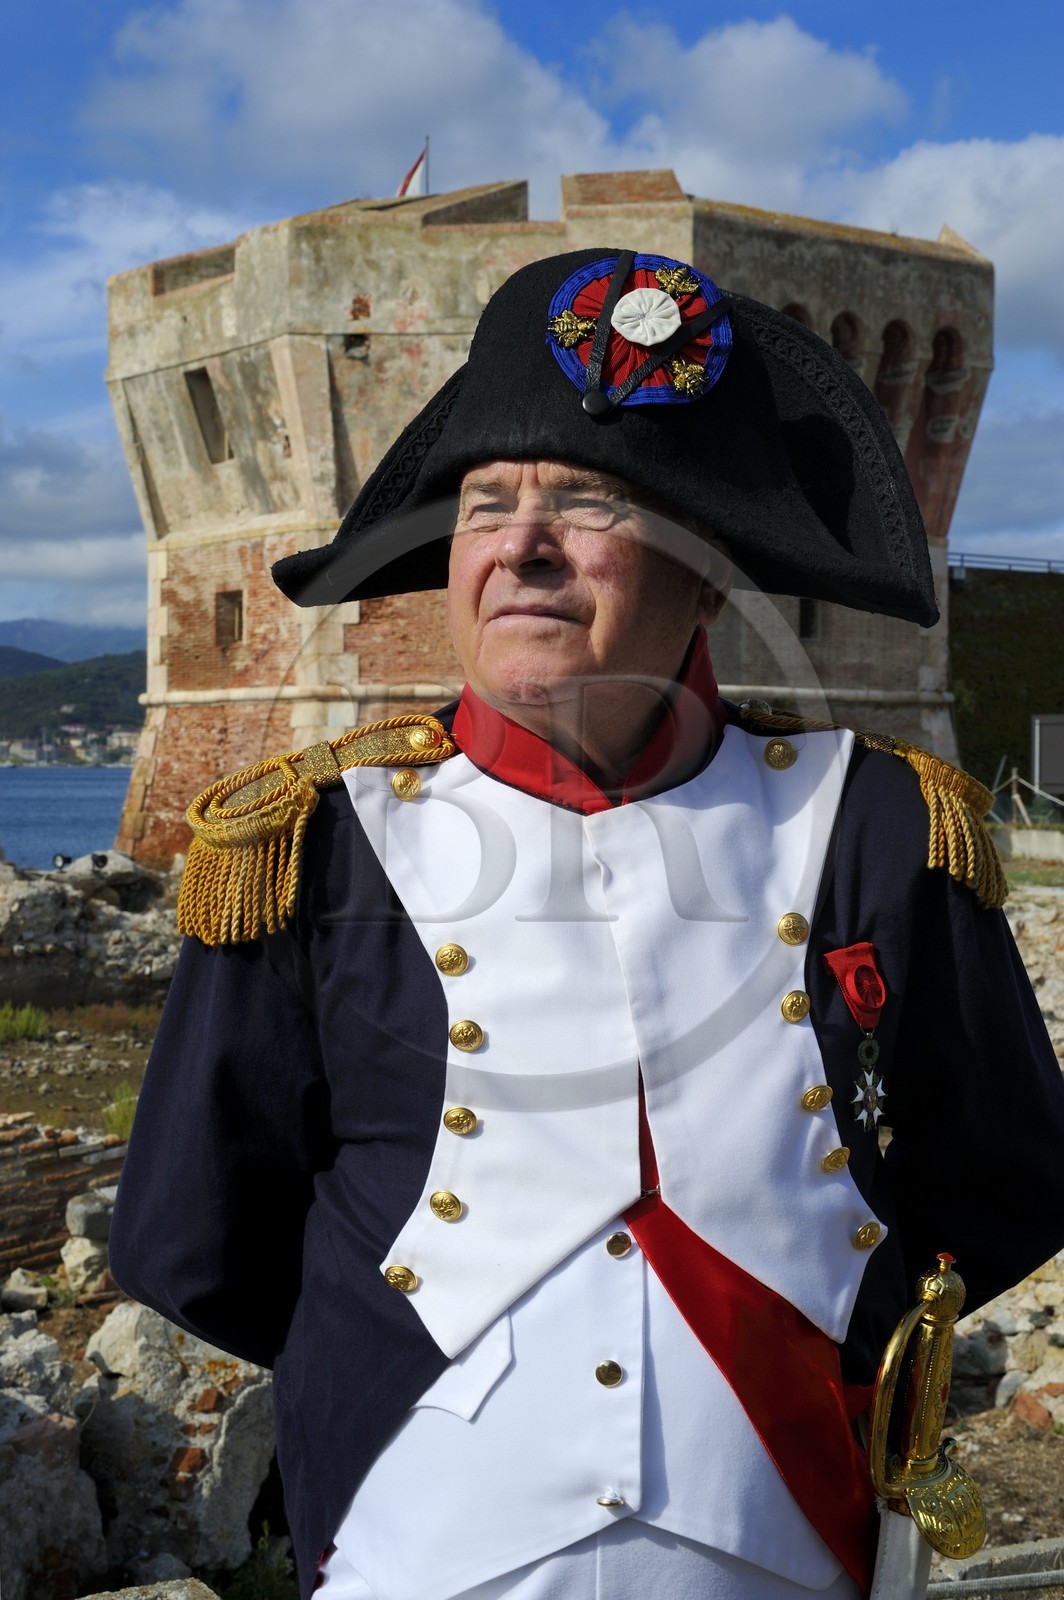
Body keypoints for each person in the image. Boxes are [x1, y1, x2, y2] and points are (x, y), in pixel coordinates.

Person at [110, 249, 1064, 1600]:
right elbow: (199, 1239)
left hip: (787, 1554)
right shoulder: (308, 844)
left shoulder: (887, 832)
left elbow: (1001, 1185)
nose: (522, 543)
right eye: (487, 503)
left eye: (591, 502)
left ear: (711, 572)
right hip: (420, 1551)